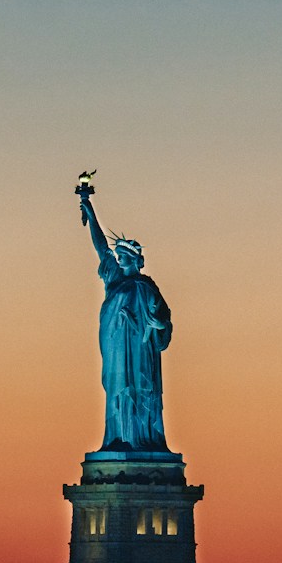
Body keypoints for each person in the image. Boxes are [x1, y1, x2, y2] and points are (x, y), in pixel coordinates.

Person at [80, 192, 171, 452]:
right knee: (119, 390)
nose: (119, 258)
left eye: (124, 255)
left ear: (135, 259)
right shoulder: (115, 279)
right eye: (118, 255)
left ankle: (143, 438)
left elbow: (163, 322)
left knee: (141, 391)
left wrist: (155, 323)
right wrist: (89, 209)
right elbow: (101, 249)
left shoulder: (146, 287)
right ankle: (120, 436)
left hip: (141, 350)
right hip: (117, 347)